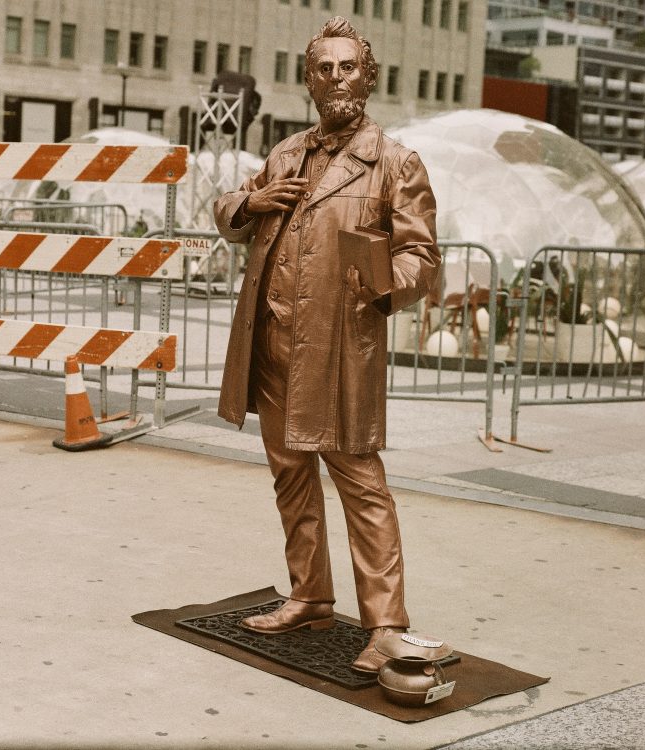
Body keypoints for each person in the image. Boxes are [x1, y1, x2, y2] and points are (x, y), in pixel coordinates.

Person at [213, 16, 440, 674]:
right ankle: (309, 595)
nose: (337, 78)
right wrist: (253, 204)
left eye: (348, 67)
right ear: (308, 80)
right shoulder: (285, 155)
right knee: (290, 477)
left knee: (361, 485)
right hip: (270, 344)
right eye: (324, 68)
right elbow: (228, 209)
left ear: (368, 78)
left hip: (337, 350)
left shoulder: (394, 162)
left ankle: (387, 624)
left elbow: (422, 257)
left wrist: (382, 284)